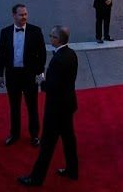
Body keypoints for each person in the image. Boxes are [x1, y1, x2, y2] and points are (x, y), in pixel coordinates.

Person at [18, 25, 79, 186]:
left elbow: (53, 88)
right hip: (68, 104)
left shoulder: (58, 60)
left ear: (58, 39)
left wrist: (42, 82)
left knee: (47, 145)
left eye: (52, 36)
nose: (50, 37)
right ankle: (73, 170)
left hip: (56, 109)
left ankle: (36, 178)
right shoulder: (71, 54)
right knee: (68, 140)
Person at [0, 4, 46, 147]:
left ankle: (35, 135)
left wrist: (40, 74)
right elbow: (2, 54)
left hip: (29, 75)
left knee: (32, 106)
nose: (24, 17)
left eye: (25, 14)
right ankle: (14, 134)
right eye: (21, 14)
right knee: (14, 106)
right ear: (14, 15)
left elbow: (42, 54)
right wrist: (0, 74)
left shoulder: (35, 31)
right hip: (12, 75)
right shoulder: (5, 32)